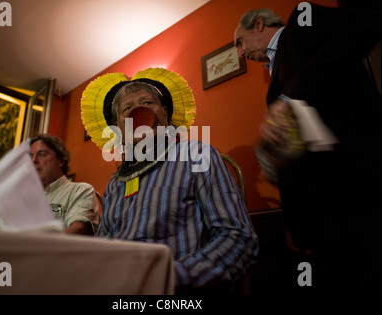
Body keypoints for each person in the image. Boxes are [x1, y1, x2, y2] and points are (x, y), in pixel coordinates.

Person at [234, 3, 381, 293]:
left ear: (260, 24)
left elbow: (367, 20)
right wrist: (296, 220)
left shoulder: (300, 22)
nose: (239, 53)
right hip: (322, 219)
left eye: (239, 42)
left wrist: (289, 100)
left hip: (360, 192)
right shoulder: (275, 74)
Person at [80, 67, 258, 294]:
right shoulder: (115, 184)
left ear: (164, 114)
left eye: (147, 103)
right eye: (127, 109)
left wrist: (172, 277)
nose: (138, 111)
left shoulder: (197, 156)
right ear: (119, 130)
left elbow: (238, 238)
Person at [30, 134, 99, 235]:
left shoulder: (80, 190)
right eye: (31, 156)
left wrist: (36, 248)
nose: (33, 160)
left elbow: (78, 230)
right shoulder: (26, 197)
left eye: (41, 154)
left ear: (61, 161)